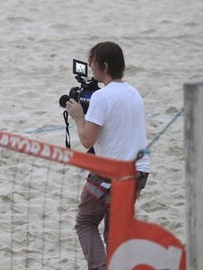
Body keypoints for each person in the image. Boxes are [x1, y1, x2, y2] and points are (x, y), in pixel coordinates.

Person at [64, 41, 150, 270]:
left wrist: (78, 117)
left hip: (109, 175)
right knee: (115, 233)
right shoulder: (134, 93)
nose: (90, 68)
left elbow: (87, 140)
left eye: (92, 63)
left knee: (85, 223)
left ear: (104, 65)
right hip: (139, 173)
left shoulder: (101, 98)